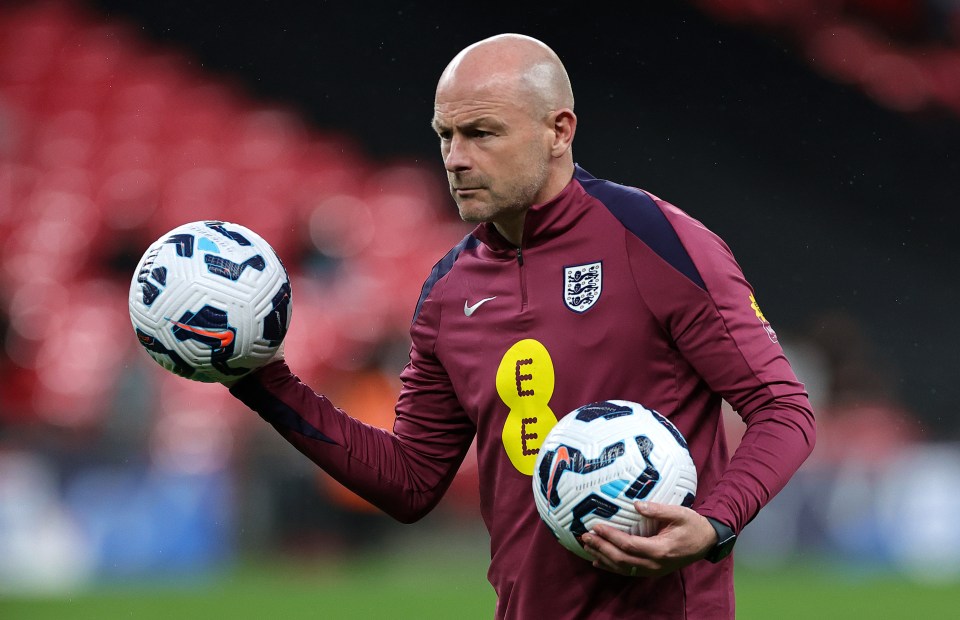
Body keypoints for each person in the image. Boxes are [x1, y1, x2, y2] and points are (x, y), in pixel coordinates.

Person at [228, 33, 816, 619]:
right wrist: (259, 378)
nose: (456, 157)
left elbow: (783, 409)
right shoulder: (448, 292)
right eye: (445, 136)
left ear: (559, 131)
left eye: (481, 133)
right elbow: (409, 480)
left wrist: (715, 523)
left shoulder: (657, 241)